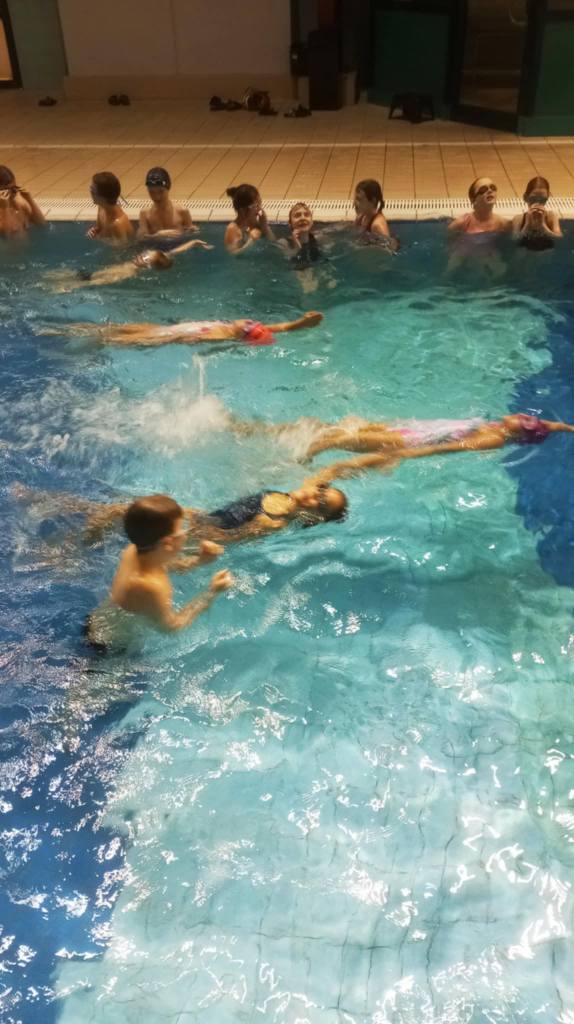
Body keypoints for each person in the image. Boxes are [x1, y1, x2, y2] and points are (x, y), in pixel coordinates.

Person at [84, 494, 233, 650]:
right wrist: (212, 592)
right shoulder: (151, 587)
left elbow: (167, 564)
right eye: (182, 529)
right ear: (168, 543)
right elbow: (172, 627)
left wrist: (199, 560)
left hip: (95, 621)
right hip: (108, 648)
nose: (186, 533)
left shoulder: (133, 550)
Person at [259, 411, 574, 461]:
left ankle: (303, 456)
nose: (523, 415)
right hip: (411, 430)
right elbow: (549, 426)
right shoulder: (499, 427)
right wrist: (568, 428)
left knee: (339, 439)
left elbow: (451, 447)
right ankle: (272, 432)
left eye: (525, 420)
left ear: (518, 431)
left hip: (408, 441)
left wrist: (403, 454)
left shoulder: (494, 439)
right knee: (337, 427)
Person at [37, 310, 323, 346]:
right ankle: (63, 330)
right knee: (110, 326)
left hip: (164, 335)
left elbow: (187, 339)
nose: (248, 320)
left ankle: (57, 334)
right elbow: (278, 327)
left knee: (108, 337)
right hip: (162, 326)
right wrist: (299, 323)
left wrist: (166, 336)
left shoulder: (220, 335)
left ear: (243, 334)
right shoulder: (235, 328)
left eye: (249, 325)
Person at [44, 236, 213, 293]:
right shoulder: (161, 257)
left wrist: (71, 288)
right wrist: (194, 242)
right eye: (144, 253)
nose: (141, 256)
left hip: (89, 278)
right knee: (48, 275)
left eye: (145, 258)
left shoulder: (128, 273)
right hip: (86, 273)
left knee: (48, 283)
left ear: (147, 267)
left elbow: (98, 282)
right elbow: (175, 252)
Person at [137, 166, 198, 239]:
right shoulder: (145, 213)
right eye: (151, 192)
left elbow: (191, 238)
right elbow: (141, 239)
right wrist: (157, 236)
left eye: (161, 191)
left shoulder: (182, 211)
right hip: (155, 246)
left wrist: (192, 232)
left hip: (179, 246)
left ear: (168, 188)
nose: (157, 197)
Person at [512, 176, 562, 251]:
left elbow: (560, 241)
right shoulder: (518, 219)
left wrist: (542, 225)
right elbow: (513, 242)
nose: (538, 203)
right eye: (533, 199)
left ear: (547, 198)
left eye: (542, 200)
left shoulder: (551, 217)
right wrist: (527, 224)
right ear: (525, 198)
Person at [224, 184, 274, 254]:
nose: (259, 209)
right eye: (256, 206)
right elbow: (233, 255)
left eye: (260, 204)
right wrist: (251, 241)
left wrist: (265, 226)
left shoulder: (256, 224)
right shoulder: (233, 229)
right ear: (243, 210)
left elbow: (273, 244)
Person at [86, 172, 134, 243]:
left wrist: (100, 239)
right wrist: (94, 231)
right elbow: (99, 229)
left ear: (103, 197)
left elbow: (122, 248)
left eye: (93, 190)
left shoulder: (117, 224)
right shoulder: (101, 208)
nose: (90, 192)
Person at [0, 165, 45, 236]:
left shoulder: (19, 204)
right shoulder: (3, 209)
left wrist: (29, 199)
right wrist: (4, 208)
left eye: (14, 188)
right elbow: (5, 235)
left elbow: (41, 224)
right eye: (8, 190)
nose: (13, 192)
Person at [354, 179, 397, 248]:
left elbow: (390, 248)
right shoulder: (362, 216)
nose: (355, 203)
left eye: (359, 199)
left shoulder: (377, 226)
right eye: (355, 199)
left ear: (373, 201)